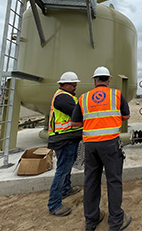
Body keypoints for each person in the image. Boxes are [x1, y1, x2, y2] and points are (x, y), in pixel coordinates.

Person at [71, 66, 131, 231]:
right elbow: (126, 116)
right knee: (114, 181)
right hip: (111, 144)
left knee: (91, 181)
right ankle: (115, 222)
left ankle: (91, 220)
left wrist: (93, 122)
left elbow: (74, 122)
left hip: (90, 146)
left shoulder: (83, 98)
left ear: (94, 80)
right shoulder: (116, 94)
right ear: (109, 79)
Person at [47, 71, 83, 217]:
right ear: (65, 85)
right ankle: (54, 204)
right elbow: (77, 114)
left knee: (67, 166)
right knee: (62, 170)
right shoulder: (62, 98)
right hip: (63, 139)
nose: (75, 87)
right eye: (73, 84)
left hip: (68, 137)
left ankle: (66, 189)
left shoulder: (67, 96)